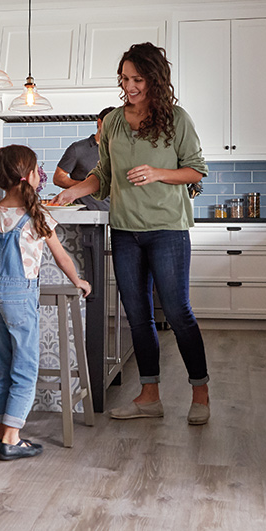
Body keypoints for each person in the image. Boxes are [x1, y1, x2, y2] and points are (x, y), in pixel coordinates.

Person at [51, 43, 211, 425]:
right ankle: (149, 395)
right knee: (137, 315)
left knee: (177, 311)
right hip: (124, 230)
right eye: (124, 79)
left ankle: (200, 392)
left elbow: (196, 171)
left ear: (154, 79)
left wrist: (158, 173)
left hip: (167, 230)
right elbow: (104, 176)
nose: (130, 86)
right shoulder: (114, 123)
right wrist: (75, 190)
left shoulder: (177, 119)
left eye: (137, 79)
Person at [0, 144, 92, 460]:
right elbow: (61, 256)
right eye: (38, 170)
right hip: (19, 296)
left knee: (3, 367)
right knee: (25, 368)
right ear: (28, 176)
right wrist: (77, 281)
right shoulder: (36, 215)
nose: (41, 176)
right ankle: (12, 439)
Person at [52, 106, 116, 211]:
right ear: (100, 123)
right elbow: (58, 178)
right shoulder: (78, 149)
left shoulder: (117, 151)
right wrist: (85, 187)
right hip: (83, 216)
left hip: (110, 215)